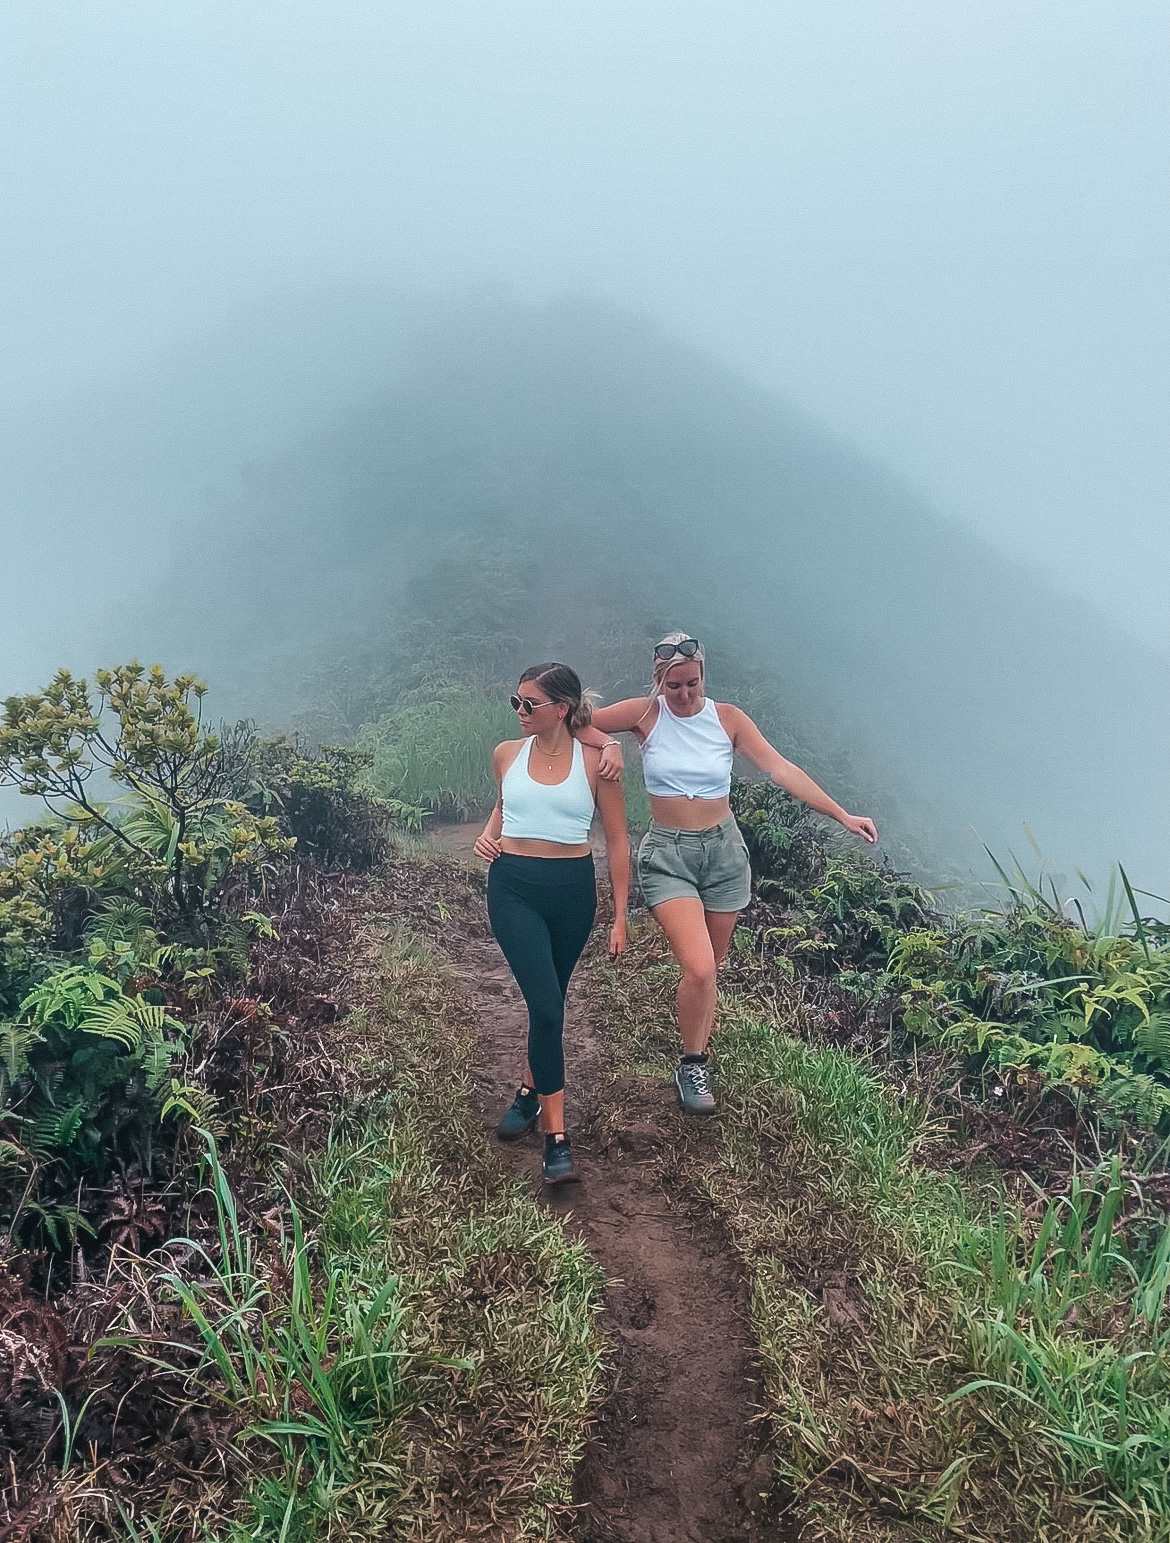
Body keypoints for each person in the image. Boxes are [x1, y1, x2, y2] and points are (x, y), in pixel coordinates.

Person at [588, 632, 878, 1115]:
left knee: (709, 970)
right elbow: (574, 722)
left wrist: (842, 815)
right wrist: (607, 744)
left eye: (692, 685)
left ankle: (695, 1052)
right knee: (699, 966)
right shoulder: (644, 713)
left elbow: (780, 769)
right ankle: (692, 1063)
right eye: (674, 685)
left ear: (704, 677)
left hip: (724, 854)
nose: (684, 695)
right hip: (668, 855)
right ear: (659, 680)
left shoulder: (728, 719)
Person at [474, 663, 630, 1185]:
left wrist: (620, 915)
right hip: (513, 886)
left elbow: (616, 840)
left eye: (529, 704)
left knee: (551, 1005)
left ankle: (527, 1092)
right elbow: (506, 802)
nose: (519, 712)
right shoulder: (505, 754)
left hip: (573, 892)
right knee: (545, 1005)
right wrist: (488, 832)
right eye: (514, 702)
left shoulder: (597, 762)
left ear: (560, 709)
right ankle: (556, 1139)